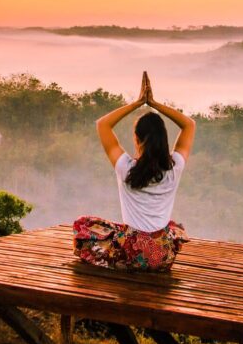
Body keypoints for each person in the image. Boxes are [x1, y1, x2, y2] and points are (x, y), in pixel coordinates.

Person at [73, 72, 195, 272]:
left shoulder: (126, 168)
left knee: (82, 224)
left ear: (137, 140)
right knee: (172, 227)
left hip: (130, 254)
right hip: (162, 257)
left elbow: (102, 124)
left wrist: (138, 103)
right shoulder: (175, 168)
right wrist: (154, 104)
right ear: (164, 140)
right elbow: (189, 125)